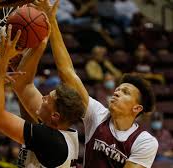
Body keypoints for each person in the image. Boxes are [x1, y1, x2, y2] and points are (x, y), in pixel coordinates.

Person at [35, 0, 158, 167]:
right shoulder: (98, 116)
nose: (117, 92)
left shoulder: (145, 141)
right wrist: (53, 22)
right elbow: (68, 73)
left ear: (137, 108)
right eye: (118, 89)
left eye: (125, 92)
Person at [0, 23, 86, 168]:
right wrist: (41, 42)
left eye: (47, 99)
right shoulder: (61, 132)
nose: (43, 97)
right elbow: (24, 86)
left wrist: (1, 62)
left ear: (55, 116)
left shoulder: (49, 139)